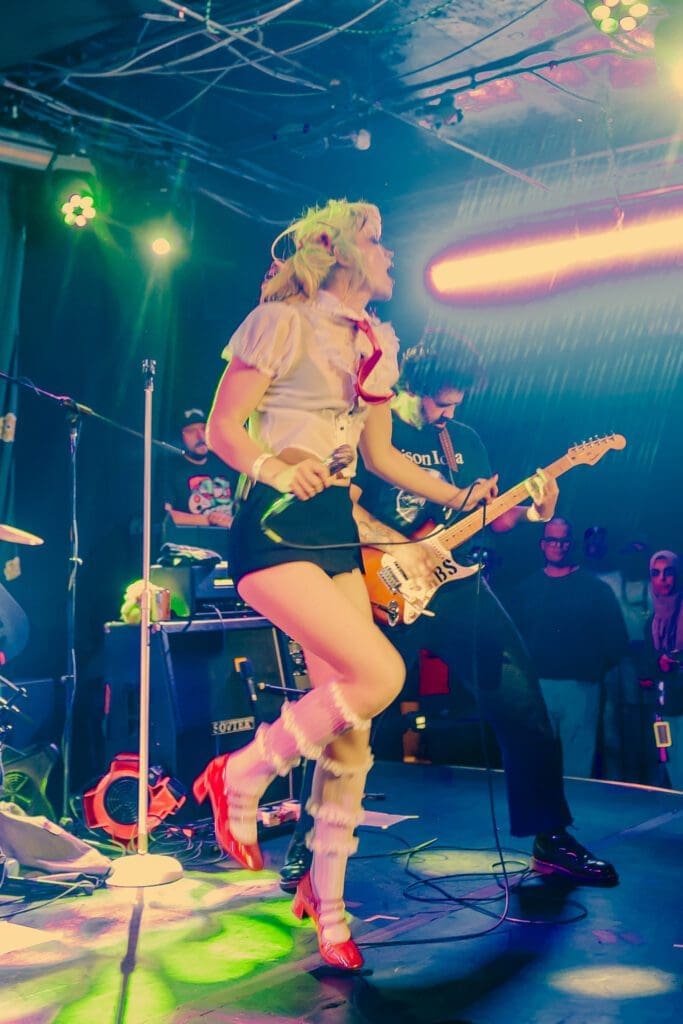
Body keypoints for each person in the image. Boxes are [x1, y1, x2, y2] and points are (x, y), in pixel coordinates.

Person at [192, 199, 498, 971]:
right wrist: (274, 466)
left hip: (334, 531)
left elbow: (382, 458)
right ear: (335, 250)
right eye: (375, 240)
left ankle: (327, 907)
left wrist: (462, 497)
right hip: (273, 526)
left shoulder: (374, 343)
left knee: (352, 729)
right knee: (380, 675)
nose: (388, 253)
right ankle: (242, 772)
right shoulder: (279, 323)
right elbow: (224, 427)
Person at [280, 334, 619, 894]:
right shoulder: (373, 429)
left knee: (523, 704)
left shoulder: (463, 440)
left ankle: (550, 839)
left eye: (455, 404)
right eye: (440, 402)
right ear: (407, 387)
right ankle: (310, 843)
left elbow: (492, 518)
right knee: (350, 716)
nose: (448, 413)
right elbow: (345, 505)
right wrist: (402, 549)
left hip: (456, 586)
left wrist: (537, 508)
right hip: (382, 587)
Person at [513, 516, 629, 779]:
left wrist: (591, 671)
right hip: (538, 688)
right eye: (552, 540)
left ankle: (576, 806)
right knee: (538, 766)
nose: (558, 546)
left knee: (577, 770)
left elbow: (616, 641)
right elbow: (514, 639)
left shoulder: (596, 590)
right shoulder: (526, 590)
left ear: (572, 544)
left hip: (581, 689)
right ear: (543, 544)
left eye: (563, 541)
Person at [636, 550, 683, 789]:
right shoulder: (652, 622)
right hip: (662, 710)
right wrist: (657, 664)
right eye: (656, 573)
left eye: (668, 572)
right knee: (666, 757)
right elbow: (647, 664)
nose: (662, 579)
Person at [163, 408, 237, 528]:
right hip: (192, 538)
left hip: (232, 536)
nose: (200, 436)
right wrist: (209, 520)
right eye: (191, 431)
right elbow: (165, 516)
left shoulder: (226, 463)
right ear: (179, 437)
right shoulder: (170, 472)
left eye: (204, 428)